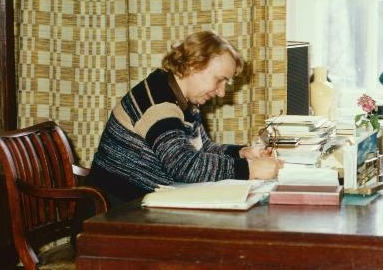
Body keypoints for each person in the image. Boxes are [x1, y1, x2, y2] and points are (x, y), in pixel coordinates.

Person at [87, 30, 282, 206]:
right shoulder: (159, 103)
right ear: (193, 66)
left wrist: (242, 153)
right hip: (113, 212)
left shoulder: (181, 99)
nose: (222, 92)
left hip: (143, 203)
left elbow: (202, 148)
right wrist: (250, 169)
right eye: (219, 79)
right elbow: (183, 165)